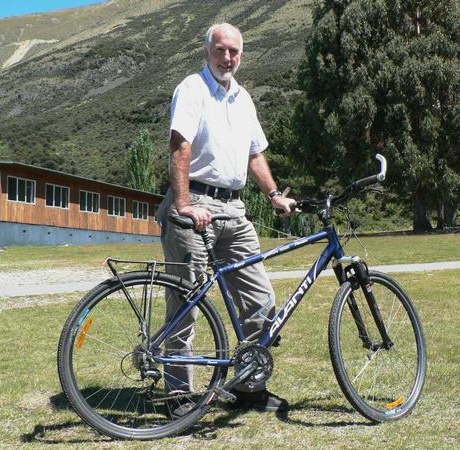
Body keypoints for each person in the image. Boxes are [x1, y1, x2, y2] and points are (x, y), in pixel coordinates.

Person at [158, 23, 295, 413]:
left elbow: (255, 154)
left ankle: (249, 387)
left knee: (261, 299)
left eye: (234, 51)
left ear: (241, 55)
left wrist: (273, 194)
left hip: (235, 209)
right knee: (187, 300)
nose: (227, 58)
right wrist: (183, 204)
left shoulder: (244, 98)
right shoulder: (192, 89)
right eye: (221, 50)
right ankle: (178, 394)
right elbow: (179, 146)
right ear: (207, 52)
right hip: (195, 202)